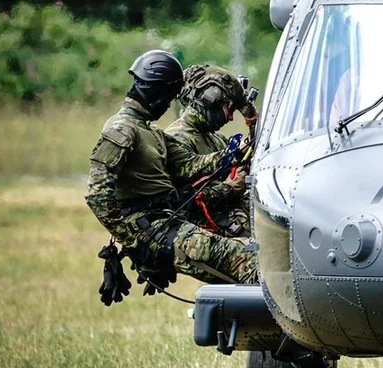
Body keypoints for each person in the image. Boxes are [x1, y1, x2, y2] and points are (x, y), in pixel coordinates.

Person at [86, 50, 258, 304]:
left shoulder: (151, 132)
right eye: (167, 98)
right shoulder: (121, 129)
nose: (169, 106)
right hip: (152, 229)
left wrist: (234, 153)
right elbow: (97, 196)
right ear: (156, 93)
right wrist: (135, 243)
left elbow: (189, 165)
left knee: (257, 259)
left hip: (167, 222)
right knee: (250, 262)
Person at [166, 64, 257, 238]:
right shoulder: (176, 138)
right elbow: (180, 201)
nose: (230, 117)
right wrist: (228, 188)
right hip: (200, 234)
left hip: (229, 220)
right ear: (207, 100)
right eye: (228, 108)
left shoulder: (214, 138)